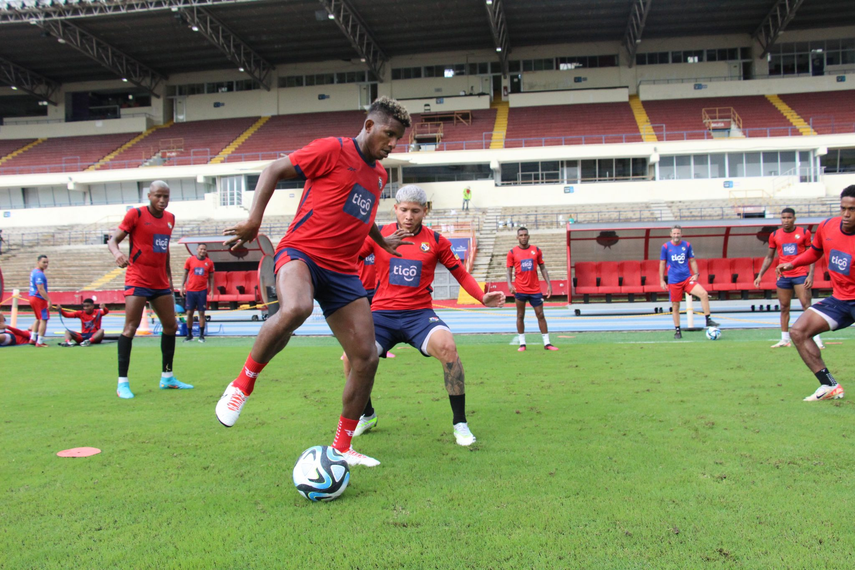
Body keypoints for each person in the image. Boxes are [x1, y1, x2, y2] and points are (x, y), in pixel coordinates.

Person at [214, 96, 412, 468]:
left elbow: (361, 210)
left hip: (342, 271)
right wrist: (254, 222)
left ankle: (341, 448)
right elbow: (272, 169)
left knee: (367, 358)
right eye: (389, 134)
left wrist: (380, 240)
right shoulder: (331, 149)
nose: (393, 144)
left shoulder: (380, 176)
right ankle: (241, 385)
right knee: (298, 307)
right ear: (369, 126)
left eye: (399, 139)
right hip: (300, 253)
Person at [344, 185, 505, 444]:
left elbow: (460, 273)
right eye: (404, 210)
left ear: (425, 211)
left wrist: (482, 297)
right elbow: (349, 259)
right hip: (382, 316)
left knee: (448, 348)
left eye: (415, 211)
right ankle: (367, 414)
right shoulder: (379, 235)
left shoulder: (437, 241)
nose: (409, 216)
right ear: (395, 209)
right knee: (349, 358)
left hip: (419, 316)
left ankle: (460, 423)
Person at [108, 180, 192, 399]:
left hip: (160, 282)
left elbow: (164, 251)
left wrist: (170, 281)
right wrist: (117, 253)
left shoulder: (170, 219)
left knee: (171, 326)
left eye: (166, 196)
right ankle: (122, 383)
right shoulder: (135, 214)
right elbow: (113, 240)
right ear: (149, 195)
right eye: (158, 196)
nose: (162, 200)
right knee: (131, 327)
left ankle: (167, 377)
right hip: (138, 279)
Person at [776, 186, 855, 402]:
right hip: (840, 299)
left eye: (853, 210)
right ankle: (829, 385)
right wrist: (792, 263)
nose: (846, 215)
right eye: (843, 208)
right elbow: (815, 251)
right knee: (798, 332)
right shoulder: (828, 226)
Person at [754, 208, 824, 349]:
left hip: (800, 274)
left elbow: (812, 255)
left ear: (794, 219)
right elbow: (769, 257)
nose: (786, 220)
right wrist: (760, 274)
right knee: (784, 307)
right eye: (784, 218)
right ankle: (784, 339)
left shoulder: (804, 233)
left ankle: (816, 338)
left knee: (807, 306)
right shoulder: (774, 235)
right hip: (784, 276)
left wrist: (810, 275)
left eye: (789, 218)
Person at [660, 225, 719, 339]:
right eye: (674, 233)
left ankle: (708, 320)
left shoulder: (686, 245)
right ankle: (678, 330)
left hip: (687, 279)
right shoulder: (666, 247)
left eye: (678, 233)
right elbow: (662, 263)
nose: (676, 235)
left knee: (703, 294)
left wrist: (696, 274)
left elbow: (692, 260)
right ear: (671, 234)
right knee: (676, 306)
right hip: (674, 281)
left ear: (681, 234)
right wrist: (662, 280)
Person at [507, 227, 558, 351]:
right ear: (517, 237)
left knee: (540, 315)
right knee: (520, 315)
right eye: (521, 235)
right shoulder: (512, 252)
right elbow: (509, 270)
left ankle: (547, 343)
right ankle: (522, 344)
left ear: (528, 236)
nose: (523, 237)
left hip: (535, 289)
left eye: (525, 235)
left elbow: (543, 268)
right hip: (520, 289)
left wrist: (549, 285)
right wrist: (509, 284)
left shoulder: (536, 250)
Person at [181, 243, 215, 343]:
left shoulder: (209, 262)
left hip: (202, 291)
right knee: (189, 313)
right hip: (191, 290)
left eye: (204, 249)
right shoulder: (190, 260)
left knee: (201, 313)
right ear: (197, 249)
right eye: (201, 249)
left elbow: (211, 277)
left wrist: (212, 290)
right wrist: (182, 286)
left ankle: (201, 335)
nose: (202, 251)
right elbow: (185, 273)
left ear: (206, 251)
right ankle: (189, 335)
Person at [27, 254, 51, 347]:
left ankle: (33, 338)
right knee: (44, 319)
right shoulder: (39, 274)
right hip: (38, 298)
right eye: (44, 262)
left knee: (38, 318)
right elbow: (40, 288)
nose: (46, 264)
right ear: (38, 262)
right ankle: (40, 341)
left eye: (47, 262)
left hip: (32, 297)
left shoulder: (34, 272)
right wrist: (48, 300)